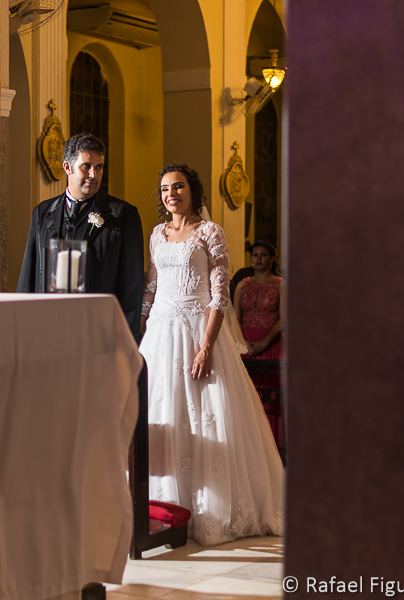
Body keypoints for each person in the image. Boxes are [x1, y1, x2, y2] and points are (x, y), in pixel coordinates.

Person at [139, 162, 284, 546]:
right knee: (161, 411)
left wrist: (205, 345)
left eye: (180, 187)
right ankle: (162, 505)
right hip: (159, 333)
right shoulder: (156, 234)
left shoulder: (209, 232)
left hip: (198, 332)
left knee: (205, 416)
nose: (172, 194)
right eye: (166, 189)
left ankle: (210, 508)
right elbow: (152, 286)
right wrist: (140, 323)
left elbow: (219, 294)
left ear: (194, 191)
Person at [16, 133, 145, 340]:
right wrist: (21, 329)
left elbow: (132, 285)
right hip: (47, 329)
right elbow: (29, 273)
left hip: (98, 331)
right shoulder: (42, 212)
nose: (94, 174)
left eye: (99, 167)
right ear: (67, 167)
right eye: (86, 166)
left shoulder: (122, 215)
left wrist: (125, 339)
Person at [234, 241, 286, 447]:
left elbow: (284, 318)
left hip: (271, 343)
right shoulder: (242, 284)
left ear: (272, 259)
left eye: (263, 255)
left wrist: (265, 341)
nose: (258, 258)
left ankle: (274, 445)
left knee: (271, 393)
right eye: (255, 254)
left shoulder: (280, 284)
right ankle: (249, 446)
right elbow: (236, 317)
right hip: (245, 345)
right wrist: (243, 342)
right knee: (248, 394)